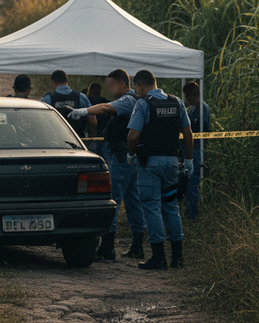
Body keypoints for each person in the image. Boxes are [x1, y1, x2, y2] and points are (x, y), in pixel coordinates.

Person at [68, 69, 147, 260]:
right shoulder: (138, 100)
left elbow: (105, 108)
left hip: (122, 157)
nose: (108, 89)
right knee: (134, 200)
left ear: (122, 84)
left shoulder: (127, 100)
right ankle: (137, 246)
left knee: (114, 199)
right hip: (133, 157)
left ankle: (108, 247)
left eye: (111, 85)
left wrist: (84, 111)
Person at [126, 70, 194, 270]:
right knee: (171, 207)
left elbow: (133, 136)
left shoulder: (143, 104)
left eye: (136, 88)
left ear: (141, 85)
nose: (136, 92)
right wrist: (189, 160)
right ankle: (177, 257)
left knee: (151, 208)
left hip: (150, 164)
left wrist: (131, 154)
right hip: (172, 162)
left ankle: (158, 257)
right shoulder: (176, 102)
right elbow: (188, 134)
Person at [181, 81, 210, 220]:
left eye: (188, 96)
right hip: (190, 150)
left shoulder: (203, 109)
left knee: (192, 183)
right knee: (187, 183)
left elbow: (201, 129)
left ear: (194, 94)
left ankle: (192, 213)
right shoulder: (191, 110)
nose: (187, 99)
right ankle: (189, 211)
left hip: (197, 150)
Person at [41, 70, 97, 138]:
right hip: (78, 140)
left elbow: (40, 121)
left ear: (54, 82)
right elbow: (92, 122)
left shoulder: (47, 99)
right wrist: (92, 140)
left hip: (56, 141)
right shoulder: (81, 97)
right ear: (67, 80)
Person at [85, 81, 112, 168]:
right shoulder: (86, 100)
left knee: (105, 160)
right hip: (89, 136)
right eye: (93, 90)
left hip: (102, 136)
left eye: (97, 90)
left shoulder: (104, 102)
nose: (95, 92)